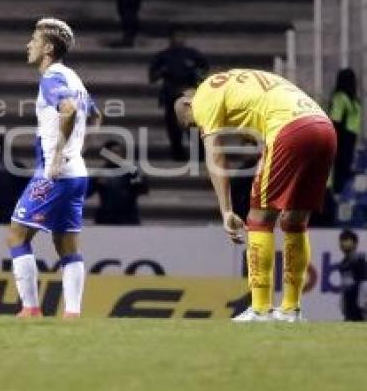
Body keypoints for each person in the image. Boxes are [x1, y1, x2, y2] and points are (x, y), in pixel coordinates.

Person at [174, 69, 336, 322]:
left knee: (259, 218)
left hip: (290, 130)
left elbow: (215, 156)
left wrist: (226, 210)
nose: (199, 127)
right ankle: (291, 310)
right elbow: (261, 105)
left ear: (187, 104)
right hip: (323, 127)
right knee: (294, 221)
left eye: (193, 123)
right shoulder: (232, 80)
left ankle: (260, 310)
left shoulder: (203, 97)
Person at [7, 18, 101, 319]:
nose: (28, 44)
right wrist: (77, 148)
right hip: (78, 174)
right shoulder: (74, 77)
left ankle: (31, 309)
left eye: (33, 40)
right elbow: (95, 115)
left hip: (55, 173)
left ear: (47, 48)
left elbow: (69, 110)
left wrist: (60, 152)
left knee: (17, 236)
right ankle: (72, 313)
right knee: (66, 243)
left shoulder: (52, 78)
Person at [149, 28, 209, 161]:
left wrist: (196, 72)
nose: (179, 40)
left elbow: (205, 72)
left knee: (193, 130)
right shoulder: (162, 56)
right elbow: (152, 77)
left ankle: (200, 156)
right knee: (174, 130)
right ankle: (178, 156)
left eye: (181, 37)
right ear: (170, 38)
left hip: (189, 97)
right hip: (171, 96)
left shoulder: (193, 54)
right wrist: (162, 71)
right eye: (176, 37)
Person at [87, 140, 148, 225]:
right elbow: (86, 192)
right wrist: (97, 182)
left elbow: (143, 189)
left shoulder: (131, 172)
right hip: (106, 218)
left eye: (118, 152)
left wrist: (135, 183)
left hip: (128, 218)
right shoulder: (100, 174)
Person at [329, 69, 362, 195]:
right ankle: (337, 196)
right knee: (340, 168)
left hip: (351, 138)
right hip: (342, 137)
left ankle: (342, 194)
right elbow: (335, 120)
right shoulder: (340, 98)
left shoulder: (353, 99)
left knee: (346, 168)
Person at [338, 229, 366, 321]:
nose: (343, 243)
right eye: (342, 240)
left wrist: (362, 301)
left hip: (359, 302)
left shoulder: (359, 260)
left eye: (347, 240)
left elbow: (364, 282)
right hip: (348, 302)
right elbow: (344, 284)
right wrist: (342, 301)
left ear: (355, 243)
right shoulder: (343, 263)